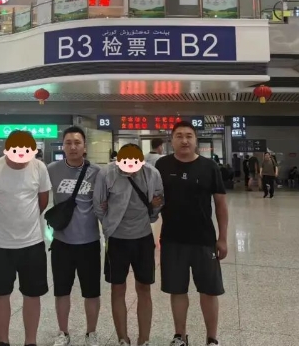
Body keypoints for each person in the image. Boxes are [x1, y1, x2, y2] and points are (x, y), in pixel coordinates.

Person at [154, 121, 228, 346]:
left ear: (196, 140)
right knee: (177, 290)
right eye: (179, 136)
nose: (184, 140)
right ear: (172, 140)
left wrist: (223, 238)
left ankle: (212, 338)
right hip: (172, 239)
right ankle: (180, 335)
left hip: (204, 239)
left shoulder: (210, 167)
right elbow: (154, 199)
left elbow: (221, 204)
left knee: (209, 291)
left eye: (189, 136)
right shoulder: (162, 165)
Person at [0, 131, 51, 346]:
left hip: (32, 243)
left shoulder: (39, 168)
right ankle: (3, 340)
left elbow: (43, 200)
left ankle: (31, 341)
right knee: (1, 294)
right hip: (1, 244)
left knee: (33, 294)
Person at [94, 144, 163, 346]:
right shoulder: (107, 173)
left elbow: (159, 200)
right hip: (117, 239)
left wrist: (153, 211)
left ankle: (144, 339)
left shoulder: (151, 173)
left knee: (144, 288)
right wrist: (109, 224)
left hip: (143, 238)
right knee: (118, 288)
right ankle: (122, 338)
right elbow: (98, 205)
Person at [47, 127, 102, 346]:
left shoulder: (96, 172)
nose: (73, 147)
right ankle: (63, 332)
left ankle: (91, 333)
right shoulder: (52, 169)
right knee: (61, 291)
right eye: (68, 142)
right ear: (62, 146)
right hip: (62, 242)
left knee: (91, 292)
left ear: (85, 146)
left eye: (77, 142)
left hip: (89, 242)